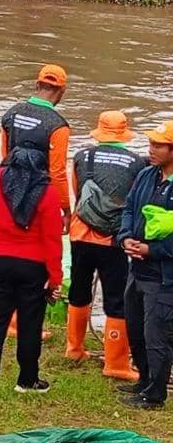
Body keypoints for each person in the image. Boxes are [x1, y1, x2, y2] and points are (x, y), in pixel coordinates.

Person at [0, 147, 64, 401]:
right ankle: (27, 379)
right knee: (30, 323)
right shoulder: (48, 191)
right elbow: (52, 239)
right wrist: (55, 278)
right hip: (33, 266)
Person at [66, 111, 145, 380]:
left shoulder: (82, 157)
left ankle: (74, 349)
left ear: (98, 131)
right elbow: (135, 201)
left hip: (80, 234)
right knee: (116, 298)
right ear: (124, 133)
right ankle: (116, 364)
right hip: (113, 239)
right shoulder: (137, 162)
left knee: (78, 289)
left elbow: (79, 195)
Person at [117, 121, 173, 411]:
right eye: (150, 143)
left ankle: (155, 393)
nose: (151, 150)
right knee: (135, 327)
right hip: (136, 268)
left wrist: (154, 250)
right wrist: (125, 237)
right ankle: (143, 379)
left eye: (158, 145)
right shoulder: (145, 175)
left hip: (163, 276)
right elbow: (129, 208)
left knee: (157, 335)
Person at [1, 64, 72, 223]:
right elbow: (57, 172)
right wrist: (66, 209)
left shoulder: (11, 113)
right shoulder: (58, 125)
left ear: (37, 85)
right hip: (39, 194)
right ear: (62, 91)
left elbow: (5, 157)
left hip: (9, 187)